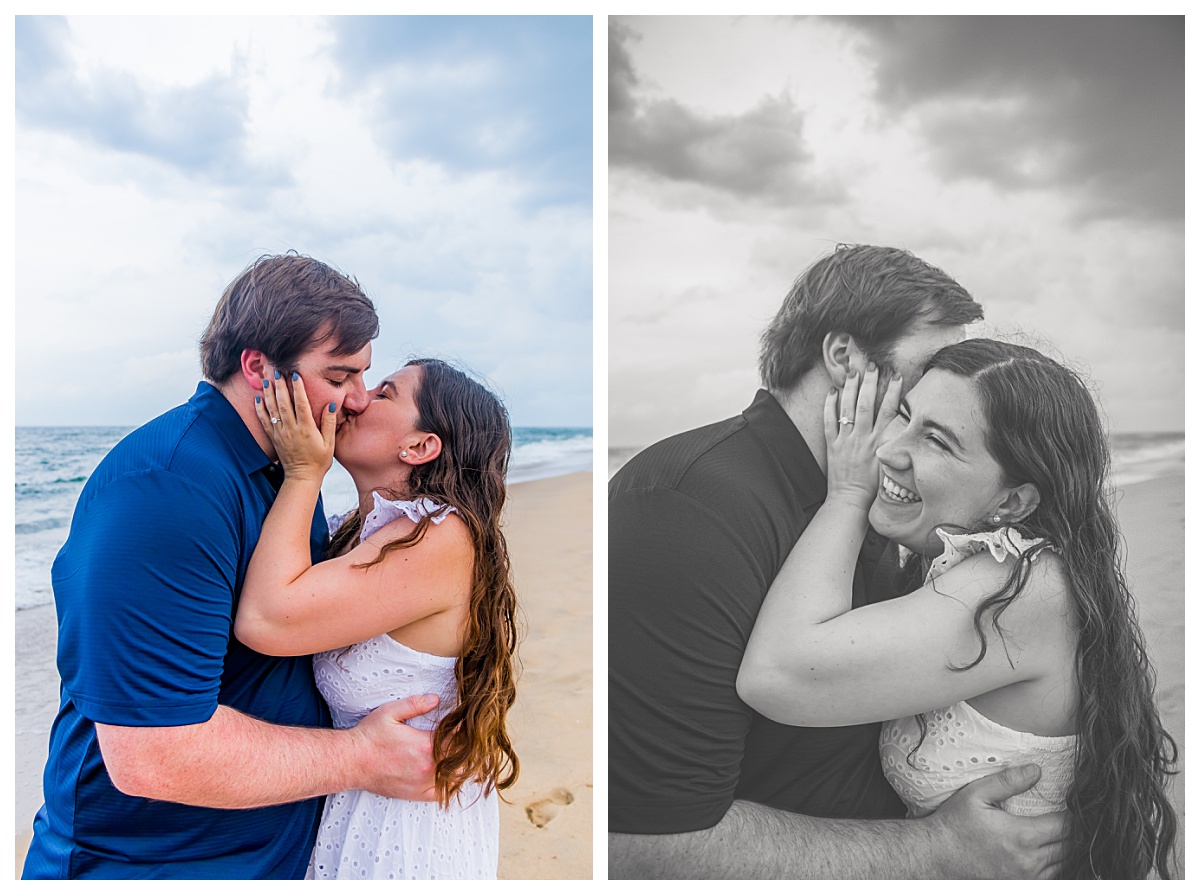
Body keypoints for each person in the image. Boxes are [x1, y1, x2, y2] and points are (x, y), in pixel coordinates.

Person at [609, 244, 1067, 879]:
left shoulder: (887, 507)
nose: (947, 385)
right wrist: (933, 851)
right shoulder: (686, 507)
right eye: (930, 366)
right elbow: (640, 842)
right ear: (846, 357)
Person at [23, 254, 439, 879]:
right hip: (152, 866)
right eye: (339, 376)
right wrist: (360, 758)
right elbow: (153, 754)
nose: (356, 401)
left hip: (262, 856)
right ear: (258, 368)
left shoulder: (290, 464)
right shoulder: (166, 488)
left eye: (365, 377)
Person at [738, 340, 1178, 879]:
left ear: (1013, 503)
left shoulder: (1016, 589)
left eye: (936, 441)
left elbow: (776, 675)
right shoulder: (993, 568)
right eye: (904, 415)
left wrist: (847, 495)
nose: (888, 450)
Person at [233, 357, 519, 879]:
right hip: (358, 799)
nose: (359, 399)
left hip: (408, 829)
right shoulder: (359, 533)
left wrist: (303, 472)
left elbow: (267, 621)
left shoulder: (440, 537)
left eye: (384, 393)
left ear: (419, 447)